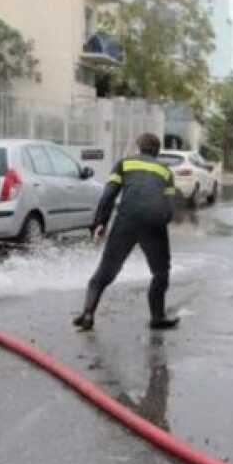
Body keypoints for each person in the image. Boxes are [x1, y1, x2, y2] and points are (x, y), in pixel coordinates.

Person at [74, 132, 179, 331]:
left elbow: (108, 195)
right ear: (157, 150)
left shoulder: (124, 164)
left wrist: (100, 223)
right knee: (160, 272)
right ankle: (157, 317)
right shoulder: (165, 171)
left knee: (106, 271)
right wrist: (160, 222)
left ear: (139, 146)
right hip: (154, 223)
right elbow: (170, 205)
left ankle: (88, 313)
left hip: (127, 221)